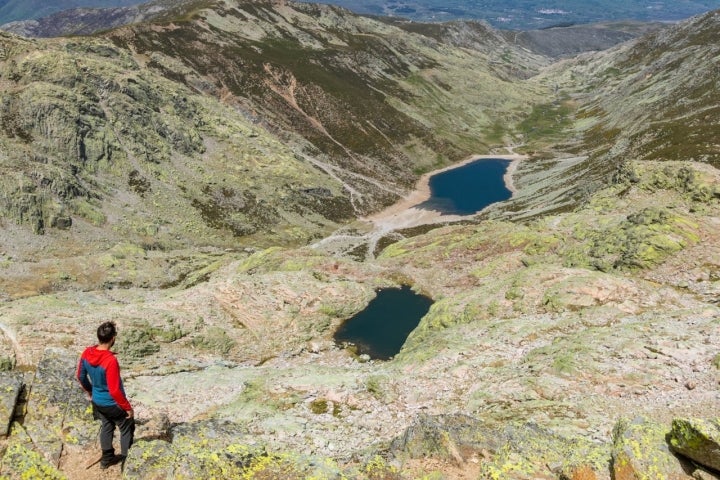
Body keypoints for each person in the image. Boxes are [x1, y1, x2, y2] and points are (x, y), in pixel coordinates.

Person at [76, 321, 135, 469]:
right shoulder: (110, 360)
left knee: (107, 425)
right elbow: (114, 390)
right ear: (113, 338)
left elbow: (80, 376)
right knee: (126, 426)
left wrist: (91, 391)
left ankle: (106, 459)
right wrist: (127, 408)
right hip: (112, 403)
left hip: (97, 401)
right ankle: (127, 462)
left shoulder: (87, 353)